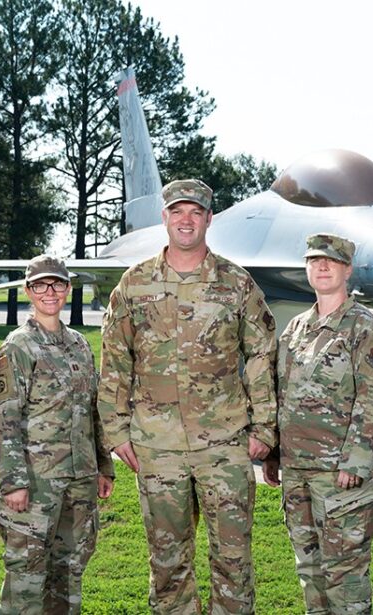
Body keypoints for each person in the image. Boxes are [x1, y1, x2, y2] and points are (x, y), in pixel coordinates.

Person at [98, 179, 277, 615]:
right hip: (157, 448)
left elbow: (261, 356)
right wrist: (116, 432)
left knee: (233, 561)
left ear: (209, 219)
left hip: (225, 444)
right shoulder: (134, 284)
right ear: (165, 217)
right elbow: (115, 359)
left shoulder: (236, 284)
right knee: (168, 563)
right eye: (178, 211)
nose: (186, 220)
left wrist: (265, 428)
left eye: (195, 212)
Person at [262, 233, 373, 615]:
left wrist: (354, 463)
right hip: (298, 471)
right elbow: (282, 394)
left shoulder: (364, 327)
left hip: (342, 477)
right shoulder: (296, 328)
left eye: (331, 262)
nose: (322, 267)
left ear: (347, 269)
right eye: (315, 260)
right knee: (310, 571)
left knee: (345, 576)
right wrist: (274, 453)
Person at [0, 255, 115, 614]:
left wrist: (104, 467)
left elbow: (93, 410)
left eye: (57, 284)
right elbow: (5, 417)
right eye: (41, 284)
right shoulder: (17, 346)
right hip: (35, 483)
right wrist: (13, 481)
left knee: (68, 579)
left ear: (68, 289)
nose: (50, 292)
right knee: (25, 586)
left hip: (79, 481)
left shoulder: (78, 344)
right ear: (29, 291)